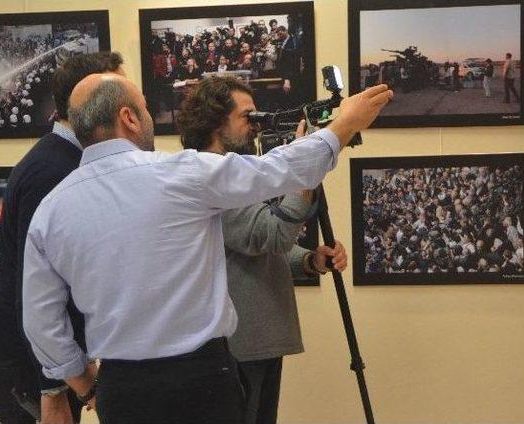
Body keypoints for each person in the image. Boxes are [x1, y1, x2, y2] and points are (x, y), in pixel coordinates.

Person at [22, 75, 393, 424]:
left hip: (123, 384)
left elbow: (41, 322)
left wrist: (87, 384)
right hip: (201, 378)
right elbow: (277, 171)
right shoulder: (181, 174)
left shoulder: (51, 210)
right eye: (146, 109)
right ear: (129, 118)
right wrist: (343, 125)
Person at [182, 87, 348, 422]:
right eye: (248, 116)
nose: (257, 125)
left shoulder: (236, 174)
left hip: (258, 339)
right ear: (216, 123)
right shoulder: (210, 179)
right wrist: (306, 167)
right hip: (238, 345)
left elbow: (252, 246)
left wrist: (309, 260)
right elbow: (269, 233)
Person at [0, 51, 125, 424]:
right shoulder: (53, 170)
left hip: (43, 363)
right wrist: (53, 390)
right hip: (29, 371)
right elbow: (35, 292)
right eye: (121, 95)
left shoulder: (66, 160)